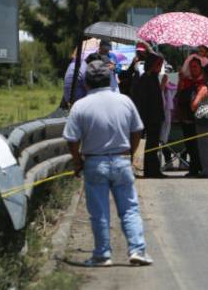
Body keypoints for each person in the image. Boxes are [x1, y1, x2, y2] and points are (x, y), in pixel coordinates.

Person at [62, 60, 153, 267]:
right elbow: (137, 130)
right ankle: (137, 250)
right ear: (109, 78)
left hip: (94, 162)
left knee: (99, 211)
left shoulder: (80, 105)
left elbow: (71, 139)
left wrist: (77, 162)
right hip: (121, 159)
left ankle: (102, 254)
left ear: (86, 83)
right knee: (130, 208)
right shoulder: (124, 101)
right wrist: (130, 153)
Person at [132, 51, 166, 178]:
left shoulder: (152, 78)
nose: (160, 67)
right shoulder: (146, 79)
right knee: (151, 144)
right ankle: (151, 170)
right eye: (159, 64)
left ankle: (152, 169)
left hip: (153, 117)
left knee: (153, 144)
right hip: (149, 118)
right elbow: (144, 101)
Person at [176, 57, 205, 176]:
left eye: (195, 67)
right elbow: (179, 96)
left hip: (199, 118)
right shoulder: (186, 81)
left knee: (198, 145)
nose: (192, 69)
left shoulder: (204, 82)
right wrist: (181, 81)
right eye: (191, 67)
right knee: (189, 145)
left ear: (200, 68)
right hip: (186, 117)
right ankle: (193, 169)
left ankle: (199, 168)